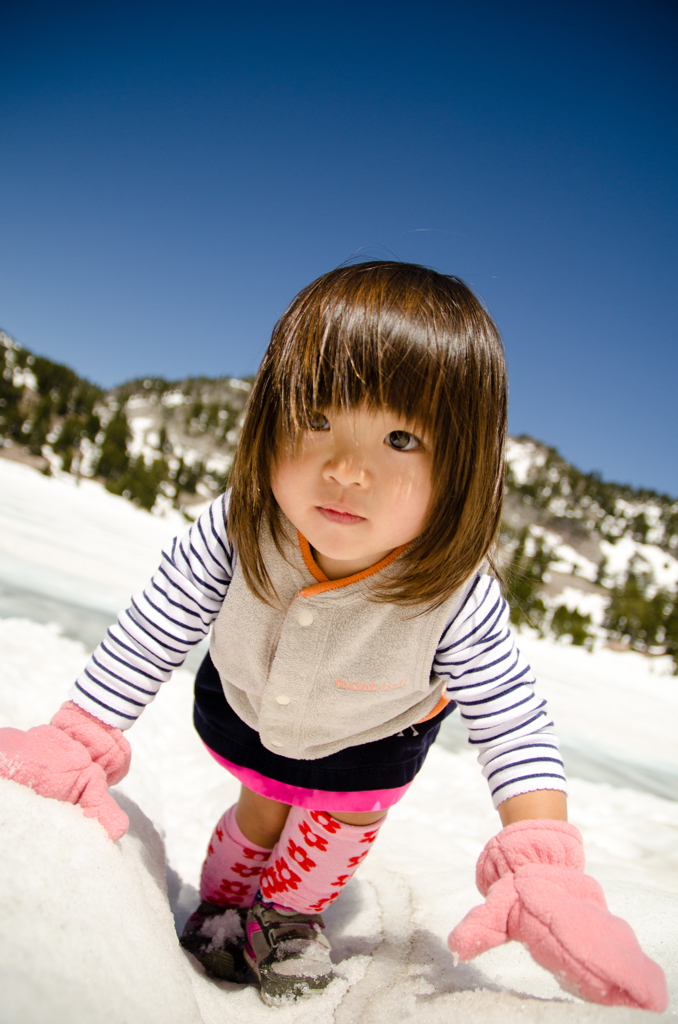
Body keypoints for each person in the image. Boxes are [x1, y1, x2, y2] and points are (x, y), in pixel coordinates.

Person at [0, 263, 667, 1011]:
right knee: (263, 804)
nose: (347, 469)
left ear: (464, 468)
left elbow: (511, 717)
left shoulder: (454, 592)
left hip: (371, 736)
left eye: (400, 437)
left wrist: (544, 860)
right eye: (317, 421)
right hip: (255, 707)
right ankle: (224, 902)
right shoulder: (240, 524)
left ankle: (287, 918)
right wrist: (82, 734)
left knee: (337, 824)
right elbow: (157, 621)